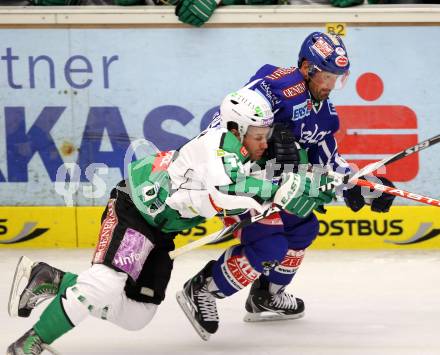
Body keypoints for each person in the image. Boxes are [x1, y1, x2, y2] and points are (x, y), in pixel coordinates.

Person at [6, 88, 332, 355]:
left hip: (162, 232)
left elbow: (254, 192)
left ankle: (51, 278)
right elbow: (226, 190)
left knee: (137, 316)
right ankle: (29, 344)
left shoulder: (247, 156)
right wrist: (277, 189)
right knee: (105, 285)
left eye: (267, 135)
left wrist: (313, 187)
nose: (265, 143)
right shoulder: (215, 146)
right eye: (259, 136)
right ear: (236, 129)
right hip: (135, 211)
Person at [176, 31, 396, 340]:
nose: (330, 86)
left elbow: (330, 161)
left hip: (273, 185)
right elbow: (224, 123)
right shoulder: (275, 85)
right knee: (270, 245)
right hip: (238, 183)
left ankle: (265, 295)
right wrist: (247, 157)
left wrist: (362, 183)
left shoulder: (325, 114)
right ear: (307, 68)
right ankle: (203, 288)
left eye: (337, 78)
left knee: (302, 228)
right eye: (326, 77)